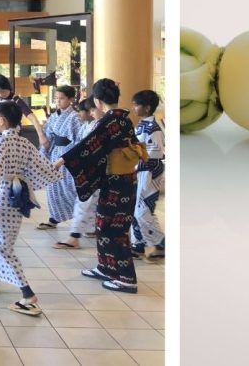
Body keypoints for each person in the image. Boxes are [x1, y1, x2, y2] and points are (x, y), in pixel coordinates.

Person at [0, 101, 62, 316]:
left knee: (1, 246)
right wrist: (57, 165)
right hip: (18, 195)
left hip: (0, 196)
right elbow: (42, 167)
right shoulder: (24, 143)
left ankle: (27, 295)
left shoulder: (0, 144)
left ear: (2, 120)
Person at [56, 78, 147, 294]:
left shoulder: (108, 122)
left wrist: (63, 160)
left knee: (113, 228)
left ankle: (126, 278)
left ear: (97, 101)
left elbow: (88, 146)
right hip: (123, 180)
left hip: (117, 181)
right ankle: (107, 267)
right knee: (103, 224)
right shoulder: (123, 119)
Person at [53, 97, 102, 249]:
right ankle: (90, 229)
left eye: (91, 110)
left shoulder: (98, 127)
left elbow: (84, 147)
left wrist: (64, 159)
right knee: (90, 203)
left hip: (95, 170)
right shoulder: (88, 126)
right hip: (88, 169)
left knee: (84, 202)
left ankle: (74, 237)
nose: (81, 114)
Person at [37, 85, 83, 230]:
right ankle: (54, 218)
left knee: (69, 188)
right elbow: (48, 136)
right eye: (56, 98)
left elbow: (79, 140)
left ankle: (83, 217)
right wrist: (44, 151)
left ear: (70, 99)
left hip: (67, 156)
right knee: (53, 188)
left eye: (62, 98)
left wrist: (70, 157)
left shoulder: (75, 117)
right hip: (54, 152)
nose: (58, 101)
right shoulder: (54, 116)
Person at [130, 90, 166, 261]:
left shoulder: (153, 128)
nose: (134, 108)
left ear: (147, 107)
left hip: (149, 173)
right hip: (141, 172)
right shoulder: (143, 124)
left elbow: (155, 154)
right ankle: (138, 245)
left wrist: (137, 165)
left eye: (137, 105)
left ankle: (161, 243)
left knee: (142, 212)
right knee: (139, 210)